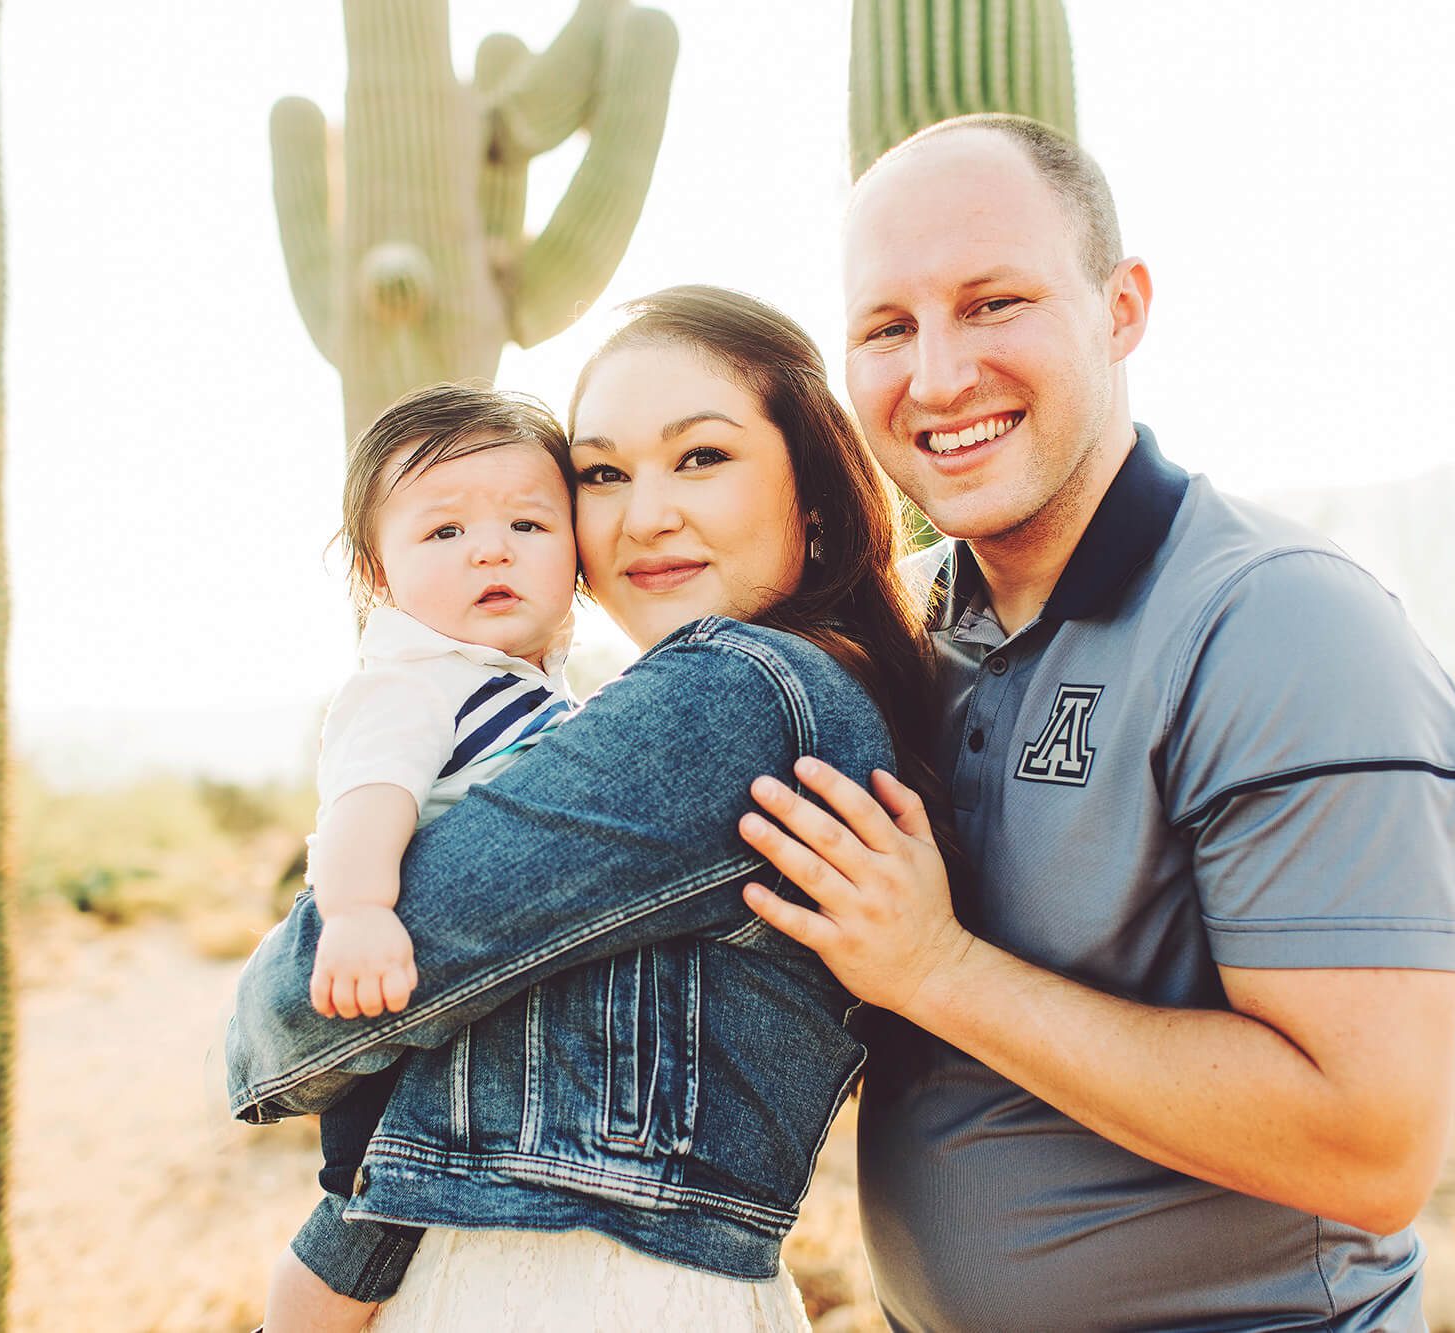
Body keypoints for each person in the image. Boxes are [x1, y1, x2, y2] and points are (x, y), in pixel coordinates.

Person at [735, 113, 1455, 1331]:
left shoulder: (1281, 627)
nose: (935, 376)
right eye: (887, 327)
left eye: (992, 303)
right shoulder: (906, 632)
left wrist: (935, 969)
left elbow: (1365, 1148)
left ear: (1120, 308)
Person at [228, 286, 947, 1331]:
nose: (641, 515)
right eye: (602, 473)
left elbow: (309, 1006)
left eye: (700, 457)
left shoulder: (735, 691)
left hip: (570, 1290)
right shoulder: (800, 687)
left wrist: (254, 1018)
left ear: (818, 497)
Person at [264, 383, 582, 1332]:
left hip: (476, 1019)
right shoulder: (410, 682)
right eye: (442, 532)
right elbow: (366, 803)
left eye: (528, 521)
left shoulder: (525, 681)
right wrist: (357, 913)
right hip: (396, 997)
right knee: (370, 1213)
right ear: (377, 568)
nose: (491, 547)